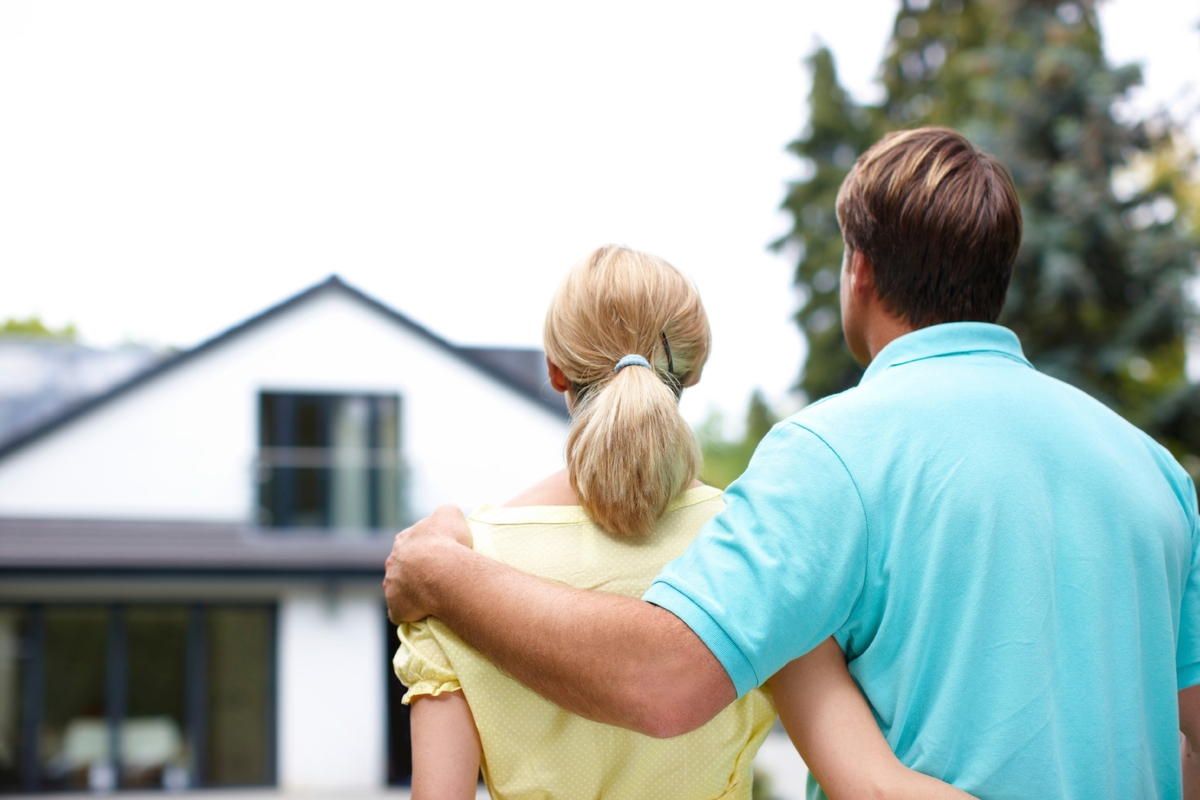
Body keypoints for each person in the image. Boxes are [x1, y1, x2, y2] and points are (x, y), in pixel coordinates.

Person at [385, 129, 1200, 798]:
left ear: (861, 270)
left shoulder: (832, 457)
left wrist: (442, 575)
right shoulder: (1155, 472)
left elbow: (666, 680)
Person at [394, 246, 973, 799]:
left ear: (555, 370)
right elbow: (866, 783)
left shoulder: (455, 567)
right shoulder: (752, 545)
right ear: (692, 372)